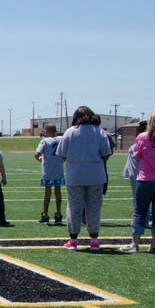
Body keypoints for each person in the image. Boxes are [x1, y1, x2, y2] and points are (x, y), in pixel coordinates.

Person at [56, 106, 112, 251]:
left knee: (74, 207)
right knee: (94, 208)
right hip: (95, 175)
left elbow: (62, 154)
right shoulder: (100, 132)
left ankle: (73, 241)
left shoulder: (70, 132)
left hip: (75, 175)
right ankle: (94, 240)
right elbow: (106, 153)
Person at [120, 109, 155, 254]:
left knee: (140, 212)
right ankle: (154, 246)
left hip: (147, 180)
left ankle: (135, 244)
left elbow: (137, 155)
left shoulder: (143, 137)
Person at [35, 124, 65, 225]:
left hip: (48, 171)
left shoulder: (45, 141)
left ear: (47, 131)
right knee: (58, 192)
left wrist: (40, 159)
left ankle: (45, 215)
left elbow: (37, 154)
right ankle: (58, 215)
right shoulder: (61, 139)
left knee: (47, 192)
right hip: (58, 170)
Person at [122, 121, 149, 230]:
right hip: (136, 174)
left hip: (139, 175)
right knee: (138, 199)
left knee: (141, 200)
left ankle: (143, 221)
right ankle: (140, 220)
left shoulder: (141, 144)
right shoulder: (139, 143)